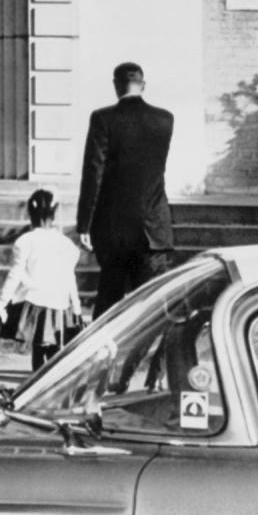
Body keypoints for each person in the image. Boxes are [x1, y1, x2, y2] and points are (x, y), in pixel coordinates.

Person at [76, 61, 175, 320]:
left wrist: (84, 223)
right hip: (153, 226)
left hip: (114, 229)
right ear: (143, 85)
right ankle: (157, 360)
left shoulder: (102, 119)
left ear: (116, 86)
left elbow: (93, 172)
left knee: (109, 303)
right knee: (153, 306)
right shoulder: (165, 120)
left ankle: (101, 358)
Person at [0, 188, 83, 370]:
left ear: (30, 213)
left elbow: (15, 274)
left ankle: (38, 380)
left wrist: (2, 302)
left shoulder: (26, 241)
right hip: (59, 304)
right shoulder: (65, 244)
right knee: (54, 349)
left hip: (36, 304)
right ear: (54, 213)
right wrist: (76, 307)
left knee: (38, 348)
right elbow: (69, 278)